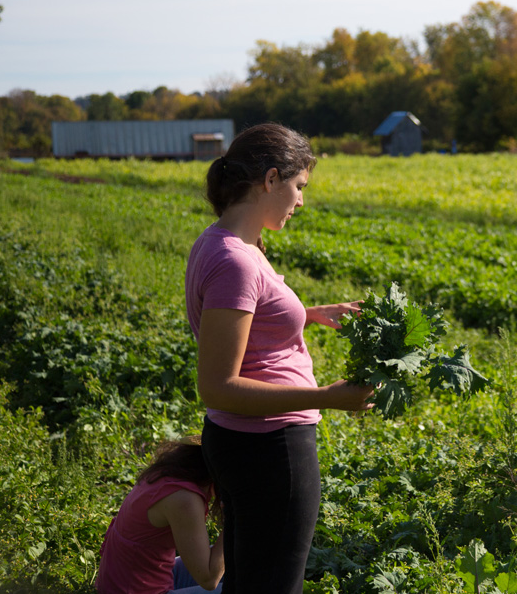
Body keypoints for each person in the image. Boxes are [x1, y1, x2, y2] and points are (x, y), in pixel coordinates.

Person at [185, 122, 375, 594]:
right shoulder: (237, 261)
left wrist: (307, 315)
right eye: (298, 186)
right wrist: (326, 398)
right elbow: (216, 385)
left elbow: (240, 321)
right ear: (270, 180)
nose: (301, 201)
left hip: (242, 444)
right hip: (268, 449)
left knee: (251, 580)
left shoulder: (222, 242)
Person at [96, 437, 224, 594]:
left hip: (130, 582)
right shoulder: (184, 498)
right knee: (250, 586)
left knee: (244, 561)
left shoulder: (170, 474)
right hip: (133, 590)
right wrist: (238, 517)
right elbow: (209, 579)